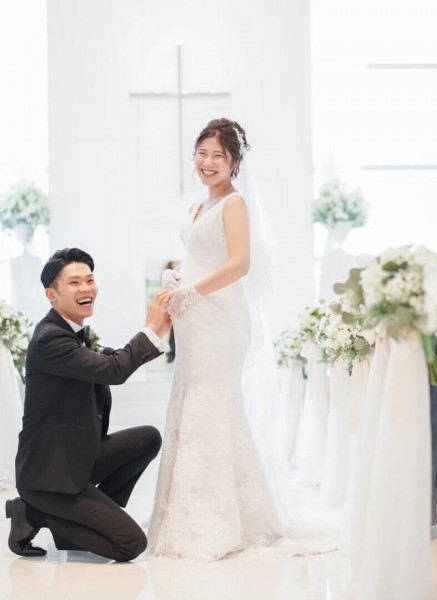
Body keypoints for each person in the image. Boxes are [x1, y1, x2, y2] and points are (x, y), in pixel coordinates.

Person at [147, 118, 285, 561]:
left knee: (210, 402)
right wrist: (176, 276)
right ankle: (188, 511)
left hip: (220, 319)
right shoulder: (199, 204)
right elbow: (198, 256)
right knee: (189, 399)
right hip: (193, 318)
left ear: (234, 163)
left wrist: (191, 291)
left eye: (218, 156)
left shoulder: (234, 204)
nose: (207, 163)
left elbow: (240, 264)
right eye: (202, 154)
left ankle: (216, 519)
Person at [6, 248, 172, 561]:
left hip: (76, 457)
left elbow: (113, 359)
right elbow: (114, 370)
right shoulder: (50, 339)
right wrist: (149, 329)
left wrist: (159, 331)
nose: (86, 288)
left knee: (148, 438)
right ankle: (32, 512)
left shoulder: (76, 333)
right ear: (51, 294)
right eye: (74, 283)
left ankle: (87, 519)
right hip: (48, 478)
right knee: (130, 545)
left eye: (90, 280)